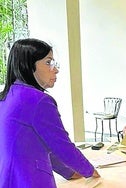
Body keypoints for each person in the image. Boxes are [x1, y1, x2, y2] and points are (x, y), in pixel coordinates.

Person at [0, 38, 100, 188]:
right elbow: (62, 145)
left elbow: (43, 144)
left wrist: (69, 172)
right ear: (28, 65)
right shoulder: (39, 101)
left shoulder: (6, 97)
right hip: (31, 181)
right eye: (48, 62)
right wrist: (90, 171)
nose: (55, 69)